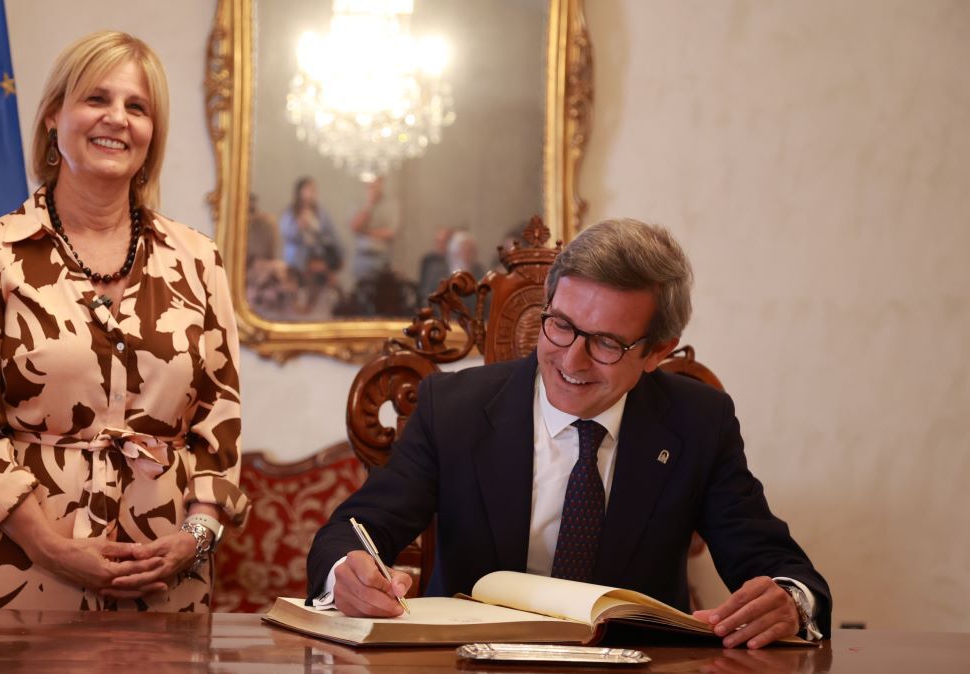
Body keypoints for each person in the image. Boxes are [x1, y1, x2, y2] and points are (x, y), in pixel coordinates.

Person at [307, 218, 831, 648]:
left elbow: (782, 568)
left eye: (605, 343)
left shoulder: (698, 422)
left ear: (658, 352)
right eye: (560, 325)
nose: (571, 360)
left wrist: (788, 601)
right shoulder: (455, 409)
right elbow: (356, 528)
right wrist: (345, 575)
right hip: (470, 664)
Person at [0, 31, 249, 612]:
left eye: (137, 107)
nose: (117, 119)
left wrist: (196, 538)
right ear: (54, 117)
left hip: (163, 578)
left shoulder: (198, 259)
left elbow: (220, 422)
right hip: (19, 574)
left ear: (152, 135)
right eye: (96, 99)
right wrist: (52, 548)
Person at [279, 177, 342, 276]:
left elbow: (331, 234)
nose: (313, 193)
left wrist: (340, 254)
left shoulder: (321, 212)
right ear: (300, 191)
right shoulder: (291, 211)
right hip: (296, 258)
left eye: (314, 190)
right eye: (309, 189)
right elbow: (285, 233)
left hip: (317, 258)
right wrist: (298, 226)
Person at [348, 176, 397, 283]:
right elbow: (355, 226)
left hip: (381, 258)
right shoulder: (359, 202)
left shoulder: (391, 205)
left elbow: (390, 233)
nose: (374, 185)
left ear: (381, 182)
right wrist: (369, 204)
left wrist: (365, 231)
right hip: (362, 258)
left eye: (376, 181)